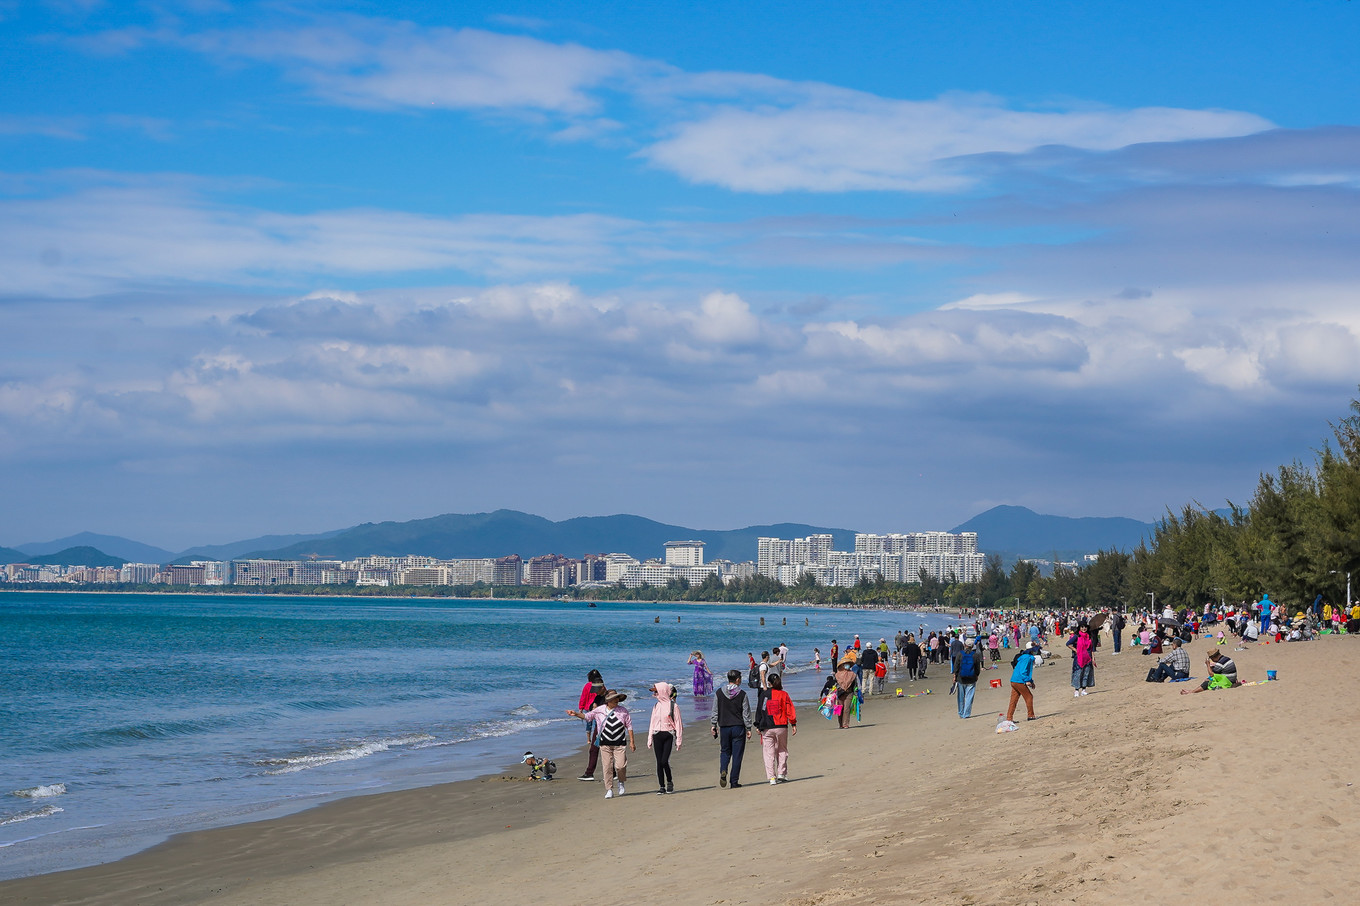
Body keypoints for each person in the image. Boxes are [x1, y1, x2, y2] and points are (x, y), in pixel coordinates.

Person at [568, 690, 634, 799]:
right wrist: (575, 714)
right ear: (608, 701)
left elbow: (629, 726)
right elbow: (587, 716)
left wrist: (632, 741)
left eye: (617, 698)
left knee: (620, 766)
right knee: (607, 767)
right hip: (605, 744)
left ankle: (621, 782)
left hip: (620, 743)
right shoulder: (599, 710)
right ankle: (609, 789)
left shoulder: (623, 711)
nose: (617, 701)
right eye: (614, 699)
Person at [711, 669, 752, 789]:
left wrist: (713, 724)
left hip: (724, 727)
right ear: (738, 680)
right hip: (738, 727)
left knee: (725, 751)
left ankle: (723, 770)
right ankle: (734, 782)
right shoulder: (742, 694)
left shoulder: (719, 693)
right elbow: (746, 713)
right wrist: (748, 727)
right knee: (737, 755)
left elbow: (715, 710)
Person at [758, 673, 796, 784]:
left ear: (769, 683)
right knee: (782, 749)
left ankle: (772, 777)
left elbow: (761, 709)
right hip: (781, 727)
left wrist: (758, 725)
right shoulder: (784, 694)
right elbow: (789, 709)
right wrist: (793, 723)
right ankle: (781, 773)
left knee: (769, 753)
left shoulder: (765, 695)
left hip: (767, 728)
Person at [647, 681, 683, 794]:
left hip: (668, 734)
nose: (656, 693)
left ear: (663, 691)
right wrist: (649, 738)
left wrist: (679, 740)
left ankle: (669, 781)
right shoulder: (656, 706)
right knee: (659, 762)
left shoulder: (674, 706)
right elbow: (652, 723)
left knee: (664, 761)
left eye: (657, 691)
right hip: (657, 734)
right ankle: (661, 786)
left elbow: (678, 723)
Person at [573, 671, 605, 780]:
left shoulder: (606, 695)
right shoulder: (598, 694)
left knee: (605, 750)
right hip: (598, 723)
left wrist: (581, 708)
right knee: (599, 749)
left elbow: (584, 696)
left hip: (605, 727)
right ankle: (590, 773)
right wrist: (578, 713)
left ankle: (591, 773)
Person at [1004, 643, 1041, 722]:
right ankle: (1031, 715)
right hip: (1019, 681)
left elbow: (1026, 671)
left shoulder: (1023, 657)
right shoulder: (1027, 658)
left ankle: (1009, 718)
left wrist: (1031, 681)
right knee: (1029, 697)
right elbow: (1023, 671)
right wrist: (1027, 680)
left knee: (1013, 700)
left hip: (1014, 680)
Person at [952, 636, 983, 718]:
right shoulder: (975, 655)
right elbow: (977, 667)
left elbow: (956, 666)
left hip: (961, 678)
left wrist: (955, 675)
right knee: (969, 697)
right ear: (972, 646)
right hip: (972, 678)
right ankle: (966, 714)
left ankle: (961, 713)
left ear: (965, 645)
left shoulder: (960, 654)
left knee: (960, 697)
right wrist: (977, 675)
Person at [1068, 623, 1095, 697]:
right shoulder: (1076, 636)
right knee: (1078, 674)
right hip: (1079, 658)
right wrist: (1075, 650)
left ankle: (1084, 689)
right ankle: (1076, 690)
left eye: (1085, 627)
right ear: (1079, 628)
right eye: (1082, 627)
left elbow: (1091, 649)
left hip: (1088, 657)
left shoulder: (1089, 637)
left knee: (1086, 673)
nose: (1084, 628)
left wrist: (1093, 658)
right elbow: (1068, 644)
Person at [833, 655, 859, 729]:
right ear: (842, 665)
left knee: (847, 709)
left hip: (849, 693)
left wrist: (856, 692)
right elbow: (835, 684)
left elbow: (855, 684)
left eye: (848, 664)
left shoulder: (853, 674)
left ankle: (845, 724)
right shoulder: (837, 675)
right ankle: (840, 724)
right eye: (845, 664)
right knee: (839, 709)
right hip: (840, 693)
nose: (847, 666)